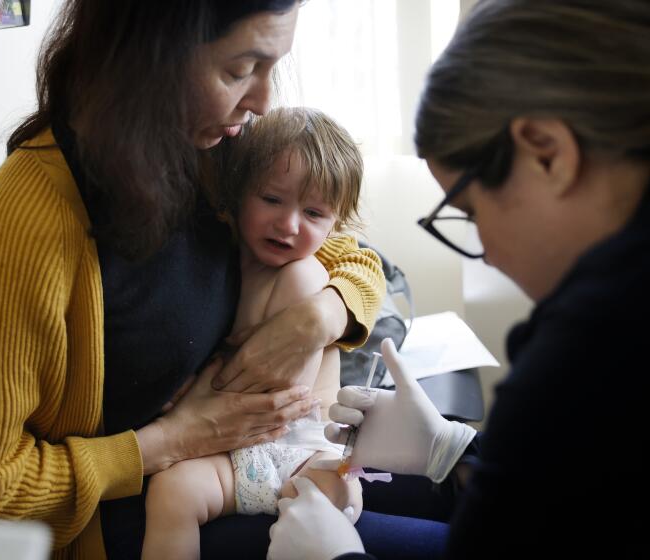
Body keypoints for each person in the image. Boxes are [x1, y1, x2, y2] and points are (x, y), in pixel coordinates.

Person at [0, 1, 386, 559]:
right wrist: (172, 440)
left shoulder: (216, 151)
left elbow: (357, 260)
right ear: (149, 56)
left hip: (248, 460)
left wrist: (314, 319)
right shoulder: (36, 212)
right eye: (238, 70)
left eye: (270, 68)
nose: (263, 100)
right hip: (137, 514)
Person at [268, 0, 648, 558]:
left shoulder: (590, 348)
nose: (487, 253)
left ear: (548, 155)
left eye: (469, 211)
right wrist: (455, 451)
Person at [142, 107, 366, 559]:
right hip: (224, 453)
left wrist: (187, 390)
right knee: (170, 495)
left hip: (293, 450)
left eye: (314, 213)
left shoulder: (303, 280)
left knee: (343, 487)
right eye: (271, 200)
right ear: (238, 193)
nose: (288, 225)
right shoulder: (218, 258)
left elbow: (278, 392)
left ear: (335, 224)